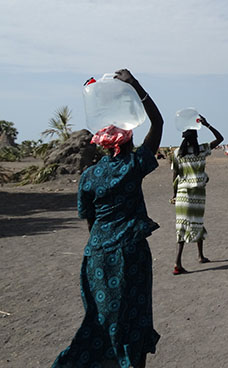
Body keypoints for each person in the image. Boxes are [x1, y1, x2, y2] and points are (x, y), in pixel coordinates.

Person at [52, 69, 163, 368]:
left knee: (100, 321)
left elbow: (89, 220)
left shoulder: (89, 176)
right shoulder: (133, 166)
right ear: (127, 141)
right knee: (134, 320)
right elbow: (159, 123)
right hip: (131, 253)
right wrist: (135, 85)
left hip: (97, 256)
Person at [171, 118, 223, 275]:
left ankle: (197, 256)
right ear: (196, 137)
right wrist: (207, 124)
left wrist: (174, 195)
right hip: (198, 194)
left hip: (181, 194)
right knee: (196, 222)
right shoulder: (202, 150)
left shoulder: (176, 153)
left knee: (184, 225)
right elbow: (220, 138)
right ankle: (179, 262)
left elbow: (175, 175)